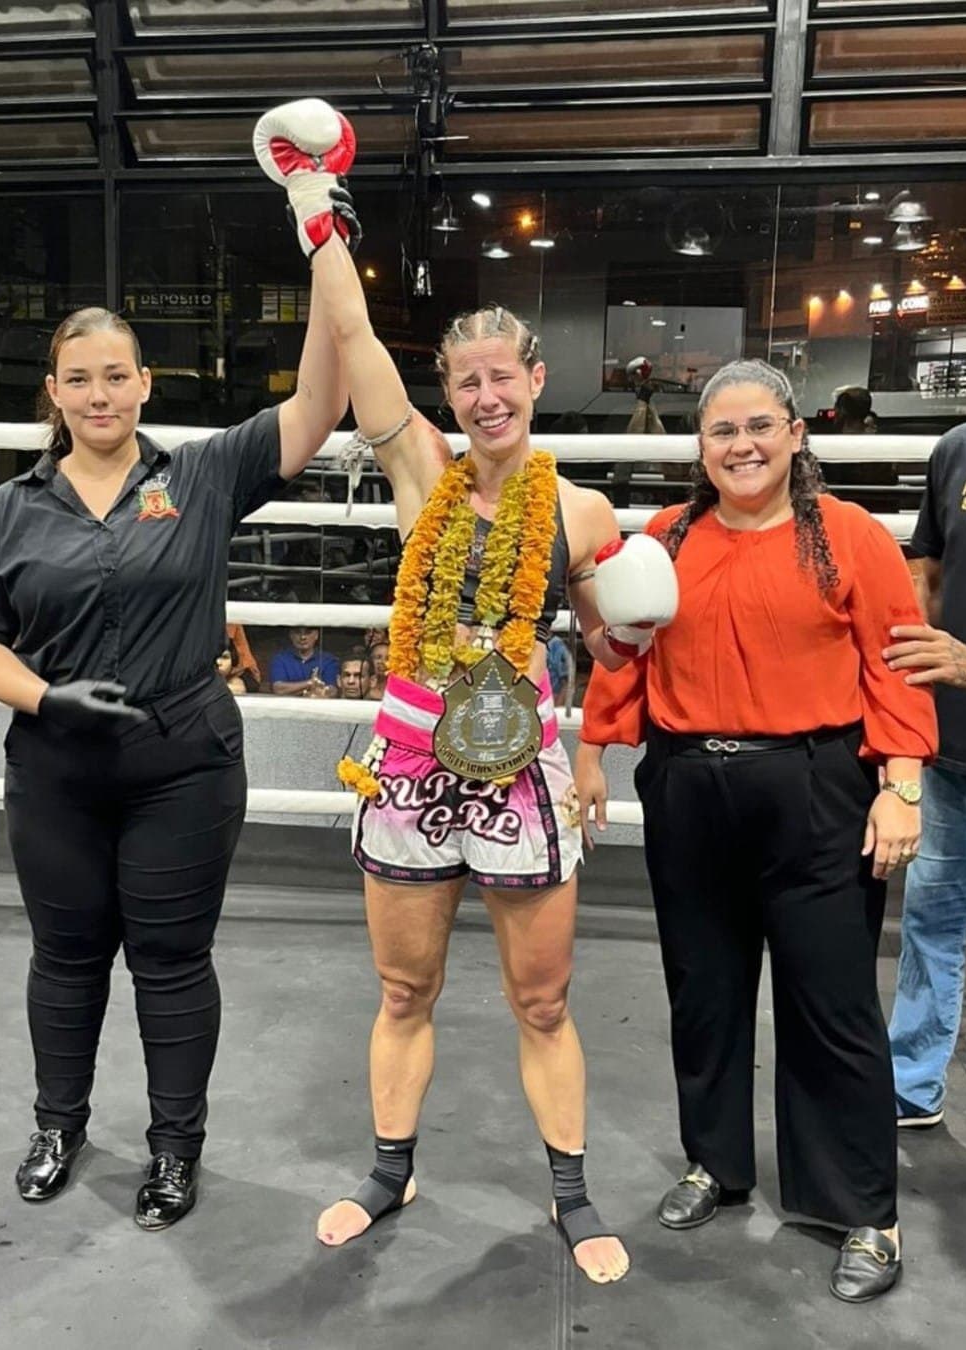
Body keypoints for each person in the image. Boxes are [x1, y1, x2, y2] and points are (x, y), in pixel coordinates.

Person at [253, 97, 675, 1285]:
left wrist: (603, 719)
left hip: (522, 771)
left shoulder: (580, 510)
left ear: (535, 379)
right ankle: (391, 1171)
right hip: (411, 760)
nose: (487, 396)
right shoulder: (420, 469)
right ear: (450, 394)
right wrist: (313, 211)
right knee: (402, 983)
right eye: (467, 381)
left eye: (504, 376)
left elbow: (606, 645)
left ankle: (571, 1194)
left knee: (542, 1002)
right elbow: (357, 341)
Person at [0, 166, 350, 1228]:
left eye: (116, 375)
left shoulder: (205, 475)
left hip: (183, 761)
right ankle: (57, 1123)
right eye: (79, 379)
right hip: (57, 769)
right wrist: (43, 701)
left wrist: (322, 246)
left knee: (171, 962)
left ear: (144, 382)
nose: (100, 394)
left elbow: (318, 404)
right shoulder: (9, 510)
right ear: (55, 392)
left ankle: (175, 1150)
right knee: (66, 958)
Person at [576, 358, 937, 1303]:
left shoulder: (850, 538)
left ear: (795, 434)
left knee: (834, 1004)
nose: (742, 446)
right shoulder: (663, 537)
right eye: (722, 432)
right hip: (690, 784)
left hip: (815, 786)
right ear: (701, 447)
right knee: (704, 988)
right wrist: (591, 748)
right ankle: (716, 1162)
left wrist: (902, 784)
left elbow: (897, 665)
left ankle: (866, 1211)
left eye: (759, 427)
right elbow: (624, 658)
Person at [884, 421, 966, 1128]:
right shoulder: (959, 449)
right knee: (931, 923)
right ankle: (912, 1085)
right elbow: (932, 567)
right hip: (954, 749)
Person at [269, 624, 339, 696]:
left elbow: (332, 691)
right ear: (291, 635)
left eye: (308, 632)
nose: (303, 637)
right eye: (298, 632)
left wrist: (294, 689)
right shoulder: (280, 658)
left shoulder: (329, 660)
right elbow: (278, 689)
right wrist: (311, 683)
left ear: (316, 635)